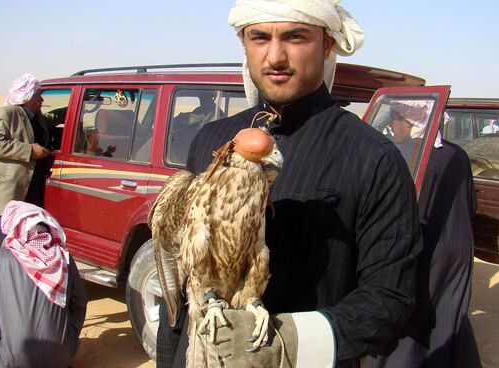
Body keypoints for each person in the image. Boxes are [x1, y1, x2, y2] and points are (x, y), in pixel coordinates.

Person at [156, 1, 423, 367]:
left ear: (327, 45)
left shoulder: (373, 157)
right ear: (244, 45)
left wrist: (291, 344)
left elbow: (391, 297)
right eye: (260, 37)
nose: (275, 56)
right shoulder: (211, 140)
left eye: (295, 37)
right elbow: (184, 282)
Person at [363, 108, 482, 367]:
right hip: (458, 246)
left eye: (396, 118)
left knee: (413, 321)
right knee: (449, 310)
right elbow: (471, 203)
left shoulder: (410, 156)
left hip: (428, 247)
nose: (392, 124)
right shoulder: (456, 153)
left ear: (411, 123)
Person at [0, 200, 88, 368]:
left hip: (13, 359)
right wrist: (69, 334)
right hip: (62, 358)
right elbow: (79, 302)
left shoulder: (0, 257)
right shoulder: (64, 258)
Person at [0, 73, 64, 261]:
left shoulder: (35, 116)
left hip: (29, 188)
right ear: (27, 97)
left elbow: (54, 117)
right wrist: (29, 150)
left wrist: (86, 105)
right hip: (7, 192)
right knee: (2, 246)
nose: (42, 99)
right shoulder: (7, 113)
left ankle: (19, 282)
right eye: (38, 95)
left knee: (24, 242)